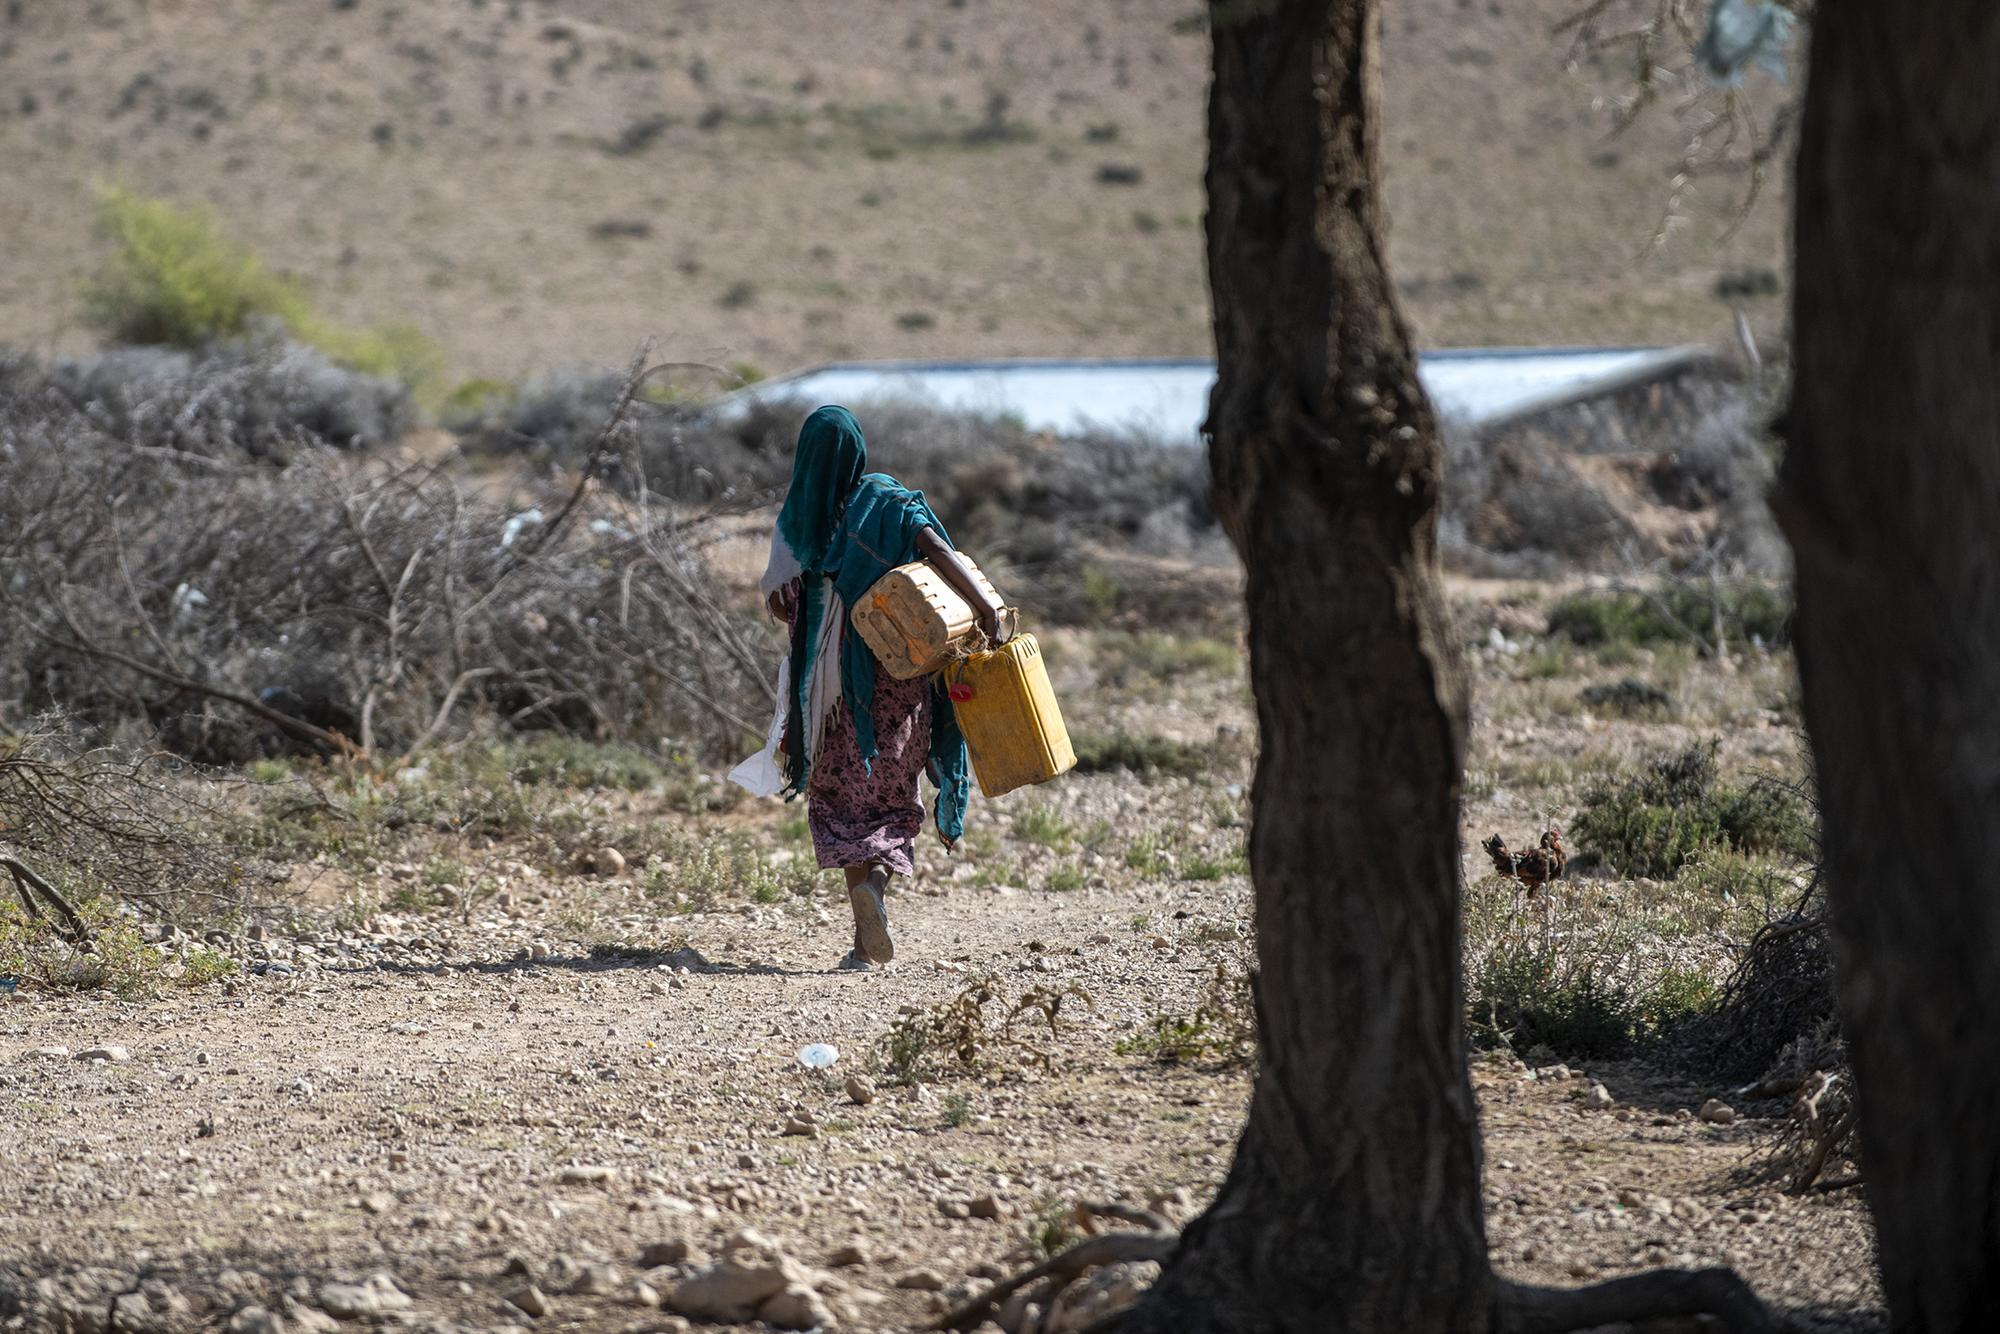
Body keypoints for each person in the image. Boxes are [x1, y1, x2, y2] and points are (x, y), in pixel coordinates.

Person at [757, 405, 1006, 970]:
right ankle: (874, 888)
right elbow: (940, 552)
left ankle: (860, 922)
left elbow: (779, 604)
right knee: (891, 793)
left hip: (824, 690)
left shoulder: (797, 520)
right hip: (894, 672)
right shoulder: (884, 500)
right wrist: (986, 607)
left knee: (843, 797)